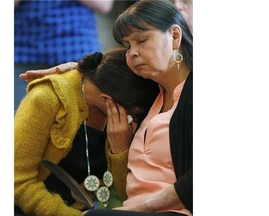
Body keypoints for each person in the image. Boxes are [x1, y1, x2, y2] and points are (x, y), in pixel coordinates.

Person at [20, 0, 193, 215]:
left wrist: (138, 207)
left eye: (142, 40)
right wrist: (79, 72)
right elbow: (107, 73)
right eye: (127, 46)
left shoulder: (180, 93)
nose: (133, 53)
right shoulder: (152, 91)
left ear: (175, 36)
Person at [14, 48, 160, 216]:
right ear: (107, 100)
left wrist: (120, 150)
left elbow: (124, 193)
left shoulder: (121, 115)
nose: (133, 120)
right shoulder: (47, 99)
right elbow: (19, 181)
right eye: (133, 115)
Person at [14, 0, 114, 111]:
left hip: (78, 51)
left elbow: (104, 5)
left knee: (82, 120)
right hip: (25, 54)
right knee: (23, 120)